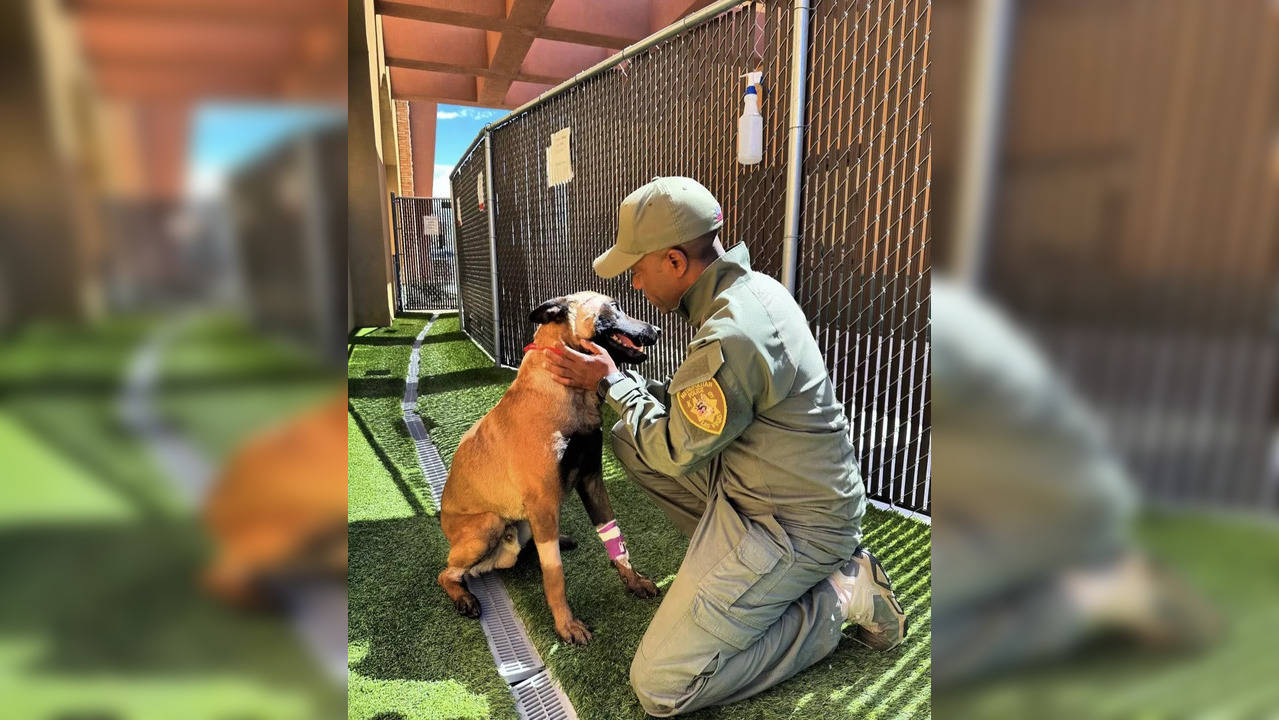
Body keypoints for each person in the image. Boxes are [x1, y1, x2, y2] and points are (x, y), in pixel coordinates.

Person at [545, 176, 907, 717]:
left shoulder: (733, 333)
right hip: (764, 488)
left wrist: (609, 380)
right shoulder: (749, 292)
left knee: (660, 686)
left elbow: (672, 448)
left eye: (637, 268)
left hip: (793, 525)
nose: (636, 284)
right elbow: (688, 421)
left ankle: (836, 597)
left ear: (673, 261)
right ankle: (741, 578)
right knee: (627, 439)